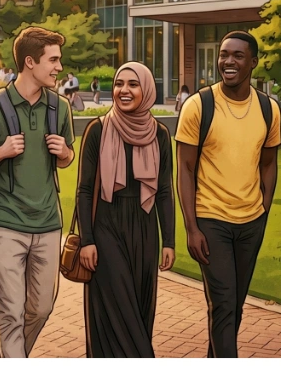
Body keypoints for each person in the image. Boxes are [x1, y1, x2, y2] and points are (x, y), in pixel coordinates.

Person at [0, 26, 75, 358]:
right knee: (10, 312)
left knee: (40, 309)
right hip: (5, 223)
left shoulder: (60, 108)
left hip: (48, 223)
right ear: (30, 62)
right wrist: (0, 152)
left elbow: (67, 159)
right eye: (53, 60)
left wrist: (64, 153)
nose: (59, 67)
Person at [175, 31, 281, 358]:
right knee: (222, 303)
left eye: (237, 55)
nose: (228, 62)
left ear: (253, 62)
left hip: (251, 222)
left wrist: (263, 209)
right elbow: (185, 169)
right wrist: (192, 228)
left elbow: (269, 164)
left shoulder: (268, 109)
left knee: (234, 305)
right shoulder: (199, 106)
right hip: (211, 220)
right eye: (224, 54)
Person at [76, 62, 175, 357]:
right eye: (119, 84)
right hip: (107, 227)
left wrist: (168, 240)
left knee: (140, 309)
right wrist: (87, 239)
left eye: (133, 84)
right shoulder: (97, 130)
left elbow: (165, 191)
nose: (124, 90)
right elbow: (83, 190)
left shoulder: (159, 134)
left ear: (146, 90)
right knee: (116, 310)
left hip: (144, 231)